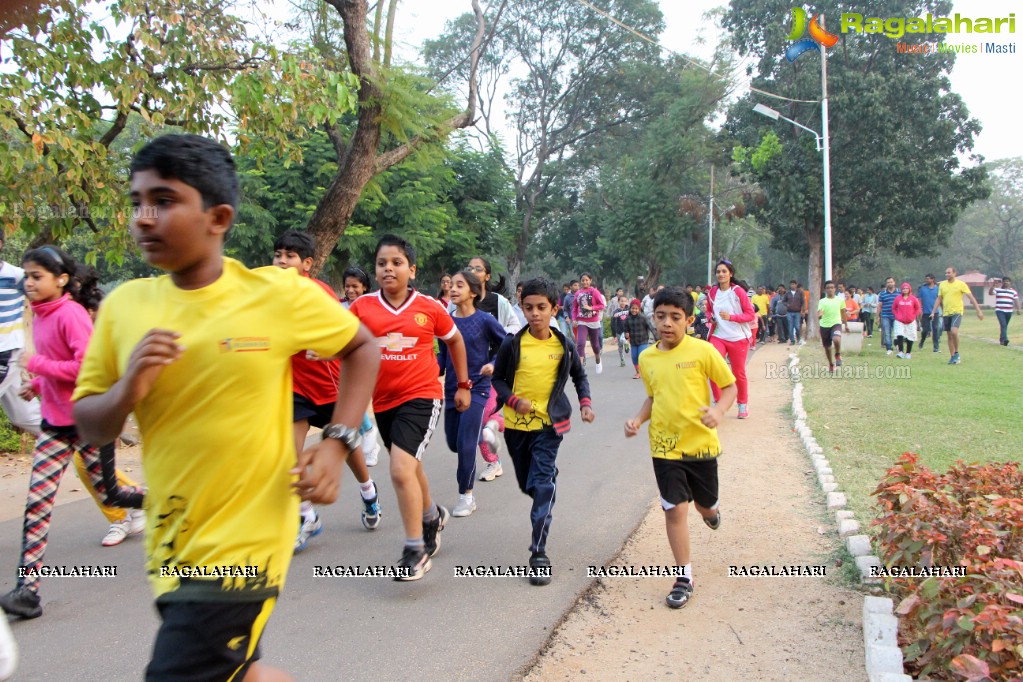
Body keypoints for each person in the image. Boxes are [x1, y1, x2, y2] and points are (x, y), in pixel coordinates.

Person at [73, 134, 380, 680]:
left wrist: (338, 442)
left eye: (163, 201)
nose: (143, 218)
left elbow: (362, 347)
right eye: (136, 202)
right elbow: (89, 422)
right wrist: (128, 388)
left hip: (248, 543)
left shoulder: (277, 294)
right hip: (173, 545)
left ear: (218, 217)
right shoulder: (125, 308)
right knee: (241, 673)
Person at [1, 246, 146, 620]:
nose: (29, 284)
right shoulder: (40, 313)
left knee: (113, 492)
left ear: (60, 279)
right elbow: (56, 366)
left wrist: (35, 364)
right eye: (28, 277)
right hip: (55, 425)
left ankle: (181, 505)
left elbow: (86, 368)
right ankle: (28, 591)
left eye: (37, 277)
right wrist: (38, 382)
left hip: (89, 421)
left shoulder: (70, 314)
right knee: (37, 504)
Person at [351, 235, 471, 580]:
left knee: (400, 469)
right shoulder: (363, 307)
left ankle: (414, 549)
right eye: (382, 263)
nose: (388, 269)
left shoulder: (428, 308)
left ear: (412, 270)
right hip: (383, 402)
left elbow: (455, 340)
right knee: (410, 466)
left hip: (422, 395)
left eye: (396, 263)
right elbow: (348, 345)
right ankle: (432, 515)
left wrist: (463, 385)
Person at [624, 286, 736, 609]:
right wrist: (638, 420)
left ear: (689, 320)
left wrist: (717, 411)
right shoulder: (647, 357)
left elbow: (729, 387)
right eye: (661, 317)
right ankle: (683, 577)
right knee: (674, 509)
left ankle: (711, 513)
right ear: (653, 318)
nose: (667, 323)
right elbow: (653, 396)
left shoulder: (703, 352)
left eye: (675, 317)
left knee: (705, 506)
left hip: (700, 446)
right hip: (664, 447)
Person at [271, 230, 382, 552]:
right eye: (278, 254)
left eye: (290, 256)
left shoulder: (319, 293)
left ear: (307, 264)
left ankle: (368, 492)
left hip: (330, 385)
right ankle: (306, 517)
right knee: (290, 454)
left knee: (348, 449)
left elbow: (348, 338)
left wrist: (326, 350)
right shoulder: (267, 294)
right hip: (295, 388)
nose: (281, 261)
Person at [491, 278, 594, 586]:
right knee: (529, 485)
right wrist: (512, 400)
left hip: (549, 427)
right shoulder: (512, 344)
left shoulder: (563, 344)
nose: (535, 314)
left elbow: (579, 376)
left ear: (554, 309)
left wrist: (585, 404)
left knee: (543, 485)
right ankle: (542, 482)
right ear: (521, 308)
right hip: (516, 429)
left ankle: (539, 553)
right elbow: (497, 381)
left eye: (541, 308)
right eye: (529, 308)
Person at [437, 270, 508, 518]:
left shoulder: (485, 320)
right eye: (451, 285)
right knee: (454, 443)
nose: (453, 289)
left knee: (466, 444)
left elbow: (506, 345)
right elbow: (441, 357)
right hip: (451, 390)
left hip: (477, 388)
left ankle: (466, 496)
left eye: (460, 285)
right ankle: (486, 432)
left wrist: (494, 363)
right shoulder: (446, 321)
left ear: (474, 292)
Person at [465, 256, 522, 485]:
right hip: (468, 370)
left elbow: (514, 328)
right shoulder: (459, 300)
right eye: (469, 268)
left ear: (487, 276)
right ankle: (515, 427)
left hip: (494, 367)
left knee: (484, 418)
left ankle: (493, 461)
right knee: (473, 421)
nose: (472, 271)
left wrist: (495, 333)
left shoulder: (498, 302)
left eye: (478, 269)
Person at [340, 264, 384, 467]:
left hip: (368, 361)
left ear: (364, 287)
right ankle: (367, 437)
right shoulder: (339, 307)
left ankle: (368, 433)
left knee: (354, 400)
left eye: (355, 286)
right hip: (344, 361)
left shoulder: (373, 306)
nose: (350, 290)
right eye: (347, 286)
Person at [0, 233, 42, 436]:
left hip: (5, 351)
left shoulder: (17, 276)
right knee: (24, 415)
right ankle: (69, 437)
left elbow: (43, 300)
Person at [705, 260, 756, 419]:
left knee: (738, 372)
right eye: (718, 272)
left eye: (724, 271)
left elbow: (750, 315)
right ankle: (719, 403)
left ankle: (742, 404)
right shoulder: (713, 292)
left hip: (738, 338)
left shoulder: (738, 291)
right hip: (718, 336)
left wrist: (732, 317)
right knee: (713, 367)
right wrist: (711, 318)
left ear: (730, 274)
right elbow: (708, 311)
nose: (720, 274)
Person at [932, 266, 983, 364]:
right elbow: (939, 299)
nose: (947, 274)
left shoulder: (961, 284)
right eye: (946, 273)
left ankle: (956, 353)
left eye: (949, 272)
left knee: (954, 331)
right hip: (946, 312)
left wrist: (978, 311)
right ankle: (952, 357)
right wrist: (933, 311)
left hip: (957, 312)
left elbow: (971, 298)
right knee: (949, 336)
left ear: (955, 273)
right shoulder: (942, 285)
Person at [571, 273, 607, 374]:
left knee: (595, 344)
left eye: (587, 280)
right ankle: (580, 367)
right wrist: (574, 319)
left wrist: (591, 308)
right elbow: (574, 308)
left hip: (594, 321)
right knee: (580, 343)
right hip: (582, 321)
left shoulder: (594, 292)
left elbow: (601, 305)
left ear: (590, 280)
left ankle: (598, 359)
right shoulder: (578, 293)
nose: (585, 282)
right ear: (581, 281)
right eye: (583, 280)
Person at [817, 280, 848, 373]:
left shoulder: (840, 300)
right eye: (828, 288)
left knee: (836, 339)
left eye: (832, 288)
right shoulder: (822, 301)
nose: (830, 289)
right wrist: (820, 315)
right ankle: (831, 364)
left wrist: (846, 325)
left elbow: (843, 313)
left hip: (836, 324)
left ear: (835, 289)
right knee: (827, 348)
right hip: (824, 326)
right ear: (825, 290)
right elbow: (820, 311)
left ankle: (838, 354)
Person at [624, 298, 657, 379]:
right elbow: (625, 329)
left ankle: (647, 370)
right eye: (632, 308)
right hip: (633, 342)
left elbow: (651, 327)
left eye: (636, 309)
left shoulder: (643, 318)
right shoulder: (627, 319)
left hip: (643, 341)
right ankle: (638, 372)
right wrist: (626, 335)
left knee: (641, 356)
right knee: (634, 357)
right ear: (630, 308)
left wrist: (657, 337)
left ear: (639, 309)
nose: (634, 310)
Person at [892, 282, 922, 359]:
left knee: (910, 336)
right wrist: (897, 315)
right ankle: (901, 352)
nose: (905, 290)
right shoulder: (898, 298)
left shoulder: (913, 299)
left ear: (909, 289)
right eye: (904, 288)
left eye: (906, 288)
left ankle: (908, 353)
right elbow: (894, 308)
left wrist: (913, 315)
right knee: (899, 334)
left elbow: (918, 308)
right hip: (899, 320)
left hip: (910, 321)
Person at [989, 276, 1020, 346]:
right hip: (1000, 310)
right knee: (1003, 324)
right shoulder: (997, 290)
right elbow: (990, 293)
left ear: (1010, 283)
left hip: (1009, 311)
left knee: (1005, 325)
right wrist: (993, 286)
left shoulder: (1013, 291)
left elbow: (1016, 300)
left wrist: (1018, 309)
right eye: (1004, 281)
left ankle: (1002, 339)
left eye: (1007, 281)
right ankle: (1005, 340)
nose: (1006, 282)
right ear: (1002, 282)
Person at [918, 274, 942, 352]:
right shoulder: (923, 289)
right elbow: (920, 301)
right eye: (926, 279)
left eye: (928, 279)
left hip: (935, 313)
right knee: (925, 330)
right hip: (925, 312)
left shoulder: (938, 289)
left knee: (936, 329)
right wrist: (920, 310)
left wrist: (943, 310)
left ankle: (936, 347)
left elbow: (940, 300)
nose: (926, 280)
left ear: (932, 279)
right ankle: (922, 341)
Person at [877, 278, 900, 355]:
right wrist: (877, 316)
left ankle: (898, 345)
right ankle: (889, 348)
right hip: (885, 315)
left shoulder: (899, 292)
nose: (890, 283)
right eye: (888, 282)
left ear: (894, 282)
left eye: (891, 282)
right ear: (886, 284)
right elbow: (879, 305)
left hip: (897, 316)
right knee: (887, 332)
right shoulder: (883, 294)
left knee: (897, 332)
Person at [610, 295, 631, 367]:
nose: (623, 303)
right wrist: (614, 335)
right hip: (619, 330)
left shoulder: (629, 310)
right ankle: (622, 359)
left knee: (623, 340)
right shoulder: (616, 311)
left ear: (627, 302)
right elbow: (613, 323)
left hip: (626, 330)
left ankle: (626, 344)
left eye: (625, 301)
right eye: (621, 301)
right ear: (618, 302)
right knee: (620, 345)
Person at [783, 280, 805, 345]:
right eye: (791, 284)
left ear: (796, 285)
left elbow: (803, 302)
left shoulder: (800, 292)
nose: (792, 285)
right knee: (790, 327)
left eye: (793, 284)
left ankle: (798, 339)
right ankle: (792, 340)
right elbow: (783, 301)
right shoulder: (787, 293)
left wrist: (803, 310)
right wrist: (787, 304)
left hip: (797, 312)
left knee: (797, 326)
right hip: (789, 312)